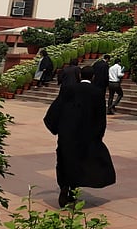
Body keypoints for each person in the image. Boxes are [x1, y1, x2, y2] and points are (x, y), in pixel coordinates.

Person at [43, 64, 116, 208]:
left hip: (67, 134)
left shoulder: (68, 89)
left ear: (80, 76)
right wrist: (98, 136)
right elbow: (100, 118)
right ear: (93, 77)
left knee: (64, 161)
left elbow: (55, 109)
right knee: (80, 162)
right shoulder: (97, 93)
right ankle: (74, 190)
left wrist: (55, 128)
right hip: (86, 136)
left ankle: (64, 188)